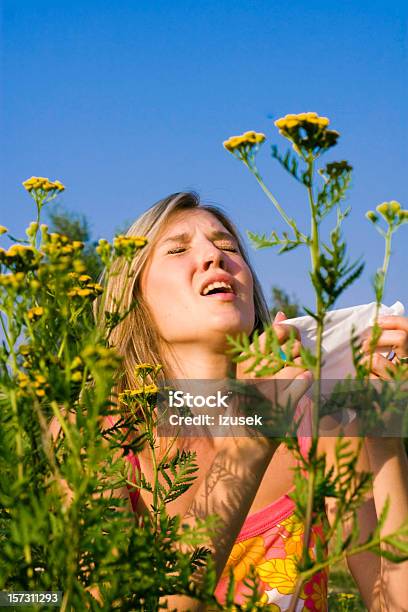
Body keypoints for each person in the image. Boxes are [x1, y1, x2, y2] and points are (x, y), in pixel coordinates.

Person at [101, 191, 408, 611]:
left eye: (228, 247)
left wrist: (384, 434)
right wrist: (250, 437)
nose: (215, 256)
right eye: (178, 249)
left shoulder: (323, 427)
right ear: (133, 298)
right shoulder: (97, 438)